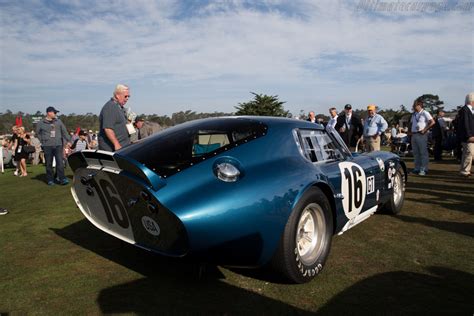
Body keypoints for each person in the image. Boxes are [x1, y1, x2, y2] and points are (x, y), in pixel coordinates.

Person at [36, 106, 71, 185]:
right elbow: (37, 133)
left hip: (58, 145)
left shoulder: (58, 122)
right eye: (54, 112)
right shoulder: (41, 123)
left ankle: (62, 179)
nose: (56, 114)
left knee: (60, 163)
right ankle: (50, 179)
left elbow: (64, 131)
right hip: (47, 146)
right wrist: (43, 141)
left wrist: (69, 140)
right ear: (49, 113)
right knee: (48, 163)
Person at [98, 84, 131, 151]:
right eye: (125, 96)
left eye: (128, 96)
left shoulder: (120, 108)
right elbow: (108, 128)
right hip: (112, 150)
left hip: (123, 147)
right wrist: (116, 144)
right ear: (117, 95)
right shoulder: (110, 107)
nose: (127, 98)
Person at [409, 98, 435, 176]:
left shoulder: (425, 113)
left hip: (421, 134)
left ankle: (424, 169)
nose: (413, 107)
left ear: (419, 105)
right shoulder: (414, 114)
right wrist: (409, 131)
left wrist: (425, 129)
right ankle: (417, 168)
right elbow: (410, 123)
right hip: (414, 134)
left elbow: (432, 122)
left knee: (423, 152)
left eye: (415, 105)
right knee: (416, 153)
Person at [457, 92, 474, 177]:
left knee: (468, 153)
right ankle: (465, 171)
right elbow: (465, 124)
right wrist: (469, 135)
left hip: (468, 135)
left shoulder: (467, 110)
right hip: (468, 136)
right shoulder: (465, 110)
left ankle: (465, 170)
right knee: (469, 153)